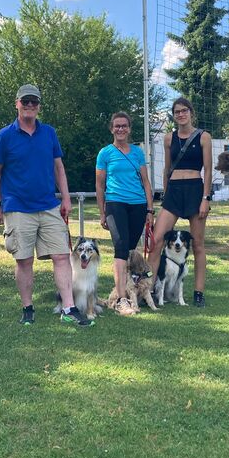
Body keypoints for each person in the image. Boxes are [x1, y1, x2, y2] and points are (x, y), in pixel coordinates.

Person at [0, 84, 90, 327]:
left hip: (48, 205)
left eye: (34, 102)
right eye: (26, 101)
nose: (30, 106)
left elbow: (58, 167)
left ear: (39, 106)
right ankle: (27, 308)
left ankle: (68, 308)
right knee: (24, 260)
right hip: (17, 207)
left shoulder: (49, 133)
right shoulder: (4, 136)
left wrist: (65, 198)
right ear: (17, 103)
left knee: (62, 256)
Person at [148, 97, 213, 306]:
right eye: (177, 112)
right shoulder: (169, 138)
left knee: (199, 244)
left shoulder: (204, 137)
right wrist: (165, 197)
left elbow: (209, 169)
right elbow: (167, 170)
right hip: (174, 192)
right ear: (173, 115)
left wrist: (206, 198)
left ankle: (198, 292)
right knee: (157, 239)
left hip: (195, 190)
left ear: (190, 112)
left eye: (184, 111)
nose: (181, 114)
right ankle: (149, 289)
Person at [95, 111, 155, 312]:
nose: (120, 129)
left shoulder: (137, 152)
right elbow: (100, 184)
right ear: (112, 129)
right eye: (117, 126)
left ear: (129, 129)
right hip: (115, 203)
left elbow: (146, 182)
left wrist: (150, 208)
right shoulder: (105, 153)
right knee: (120, 247)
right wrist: (102, 212)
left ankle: (129, 292)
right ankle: (121, 300)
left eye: (124, 126)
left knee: (130, 250)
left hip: (137, 204)